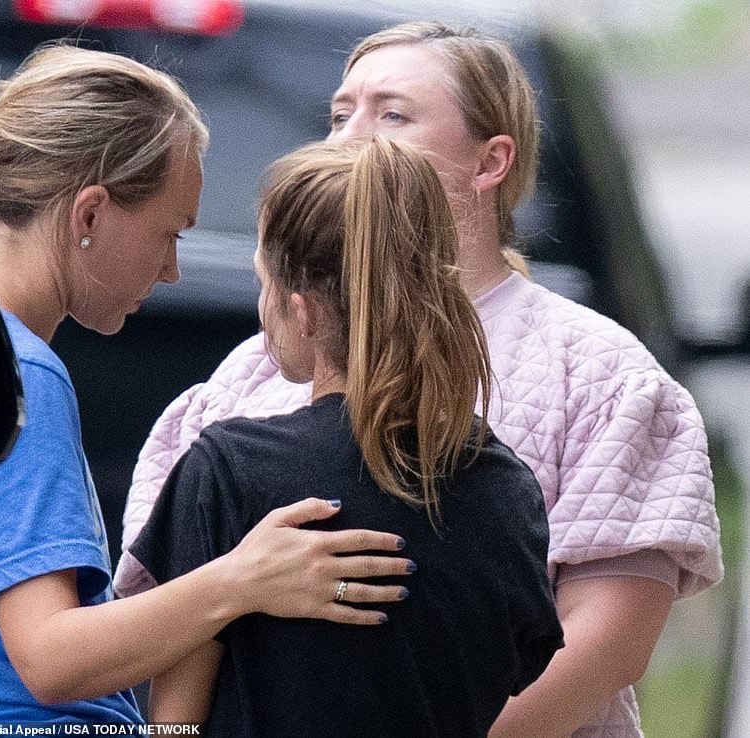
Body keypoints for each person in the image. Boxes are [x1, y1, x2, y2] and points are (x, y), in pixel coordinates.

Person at [116, 21, 724, 738]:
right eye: (340, 114)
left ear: (491, 160)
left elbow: (605, 643)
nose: (350, 138)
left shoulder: (599, 375)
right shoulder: (250, 376)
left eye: (392, 114)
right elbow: (169, 617)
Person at [0, 44, 413, 722]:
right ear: (89, 215)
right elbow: (51, 658)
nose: (171, 272)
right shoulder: (16, 374)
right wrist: (243, 579)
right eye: (170, 233)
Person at [129, 136, 565, 736]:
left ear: (303, 311)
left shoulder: (228, 472)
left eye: (266, 283)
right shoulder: (505, 487)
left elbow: (174, 723)